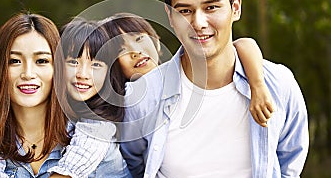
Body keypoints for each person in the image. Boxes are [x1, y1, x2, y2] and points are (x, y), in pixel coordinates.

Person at [120, 0, 309, 178]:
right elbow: (133, 166)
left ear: (236, 7)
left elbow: (289, 163)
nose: (198, 22)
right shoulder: (145, 93)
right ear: (170, 16)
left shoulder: (277, 84)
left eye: (211, 7)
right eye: (185, 10)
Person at [0, 14, 135, 178]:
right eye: (14, 61)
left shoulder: (93, 145)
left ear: (57, 67)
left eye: (41, 60)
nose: (28, 73)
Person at [101, 12, 273, 127]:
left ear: (156, 42)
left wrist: (257, 86)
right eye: (121, 50)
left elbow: (243, 44)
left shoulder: (182, 75)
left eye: (138, 38)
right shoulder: (124, 104)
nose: (135, 52)